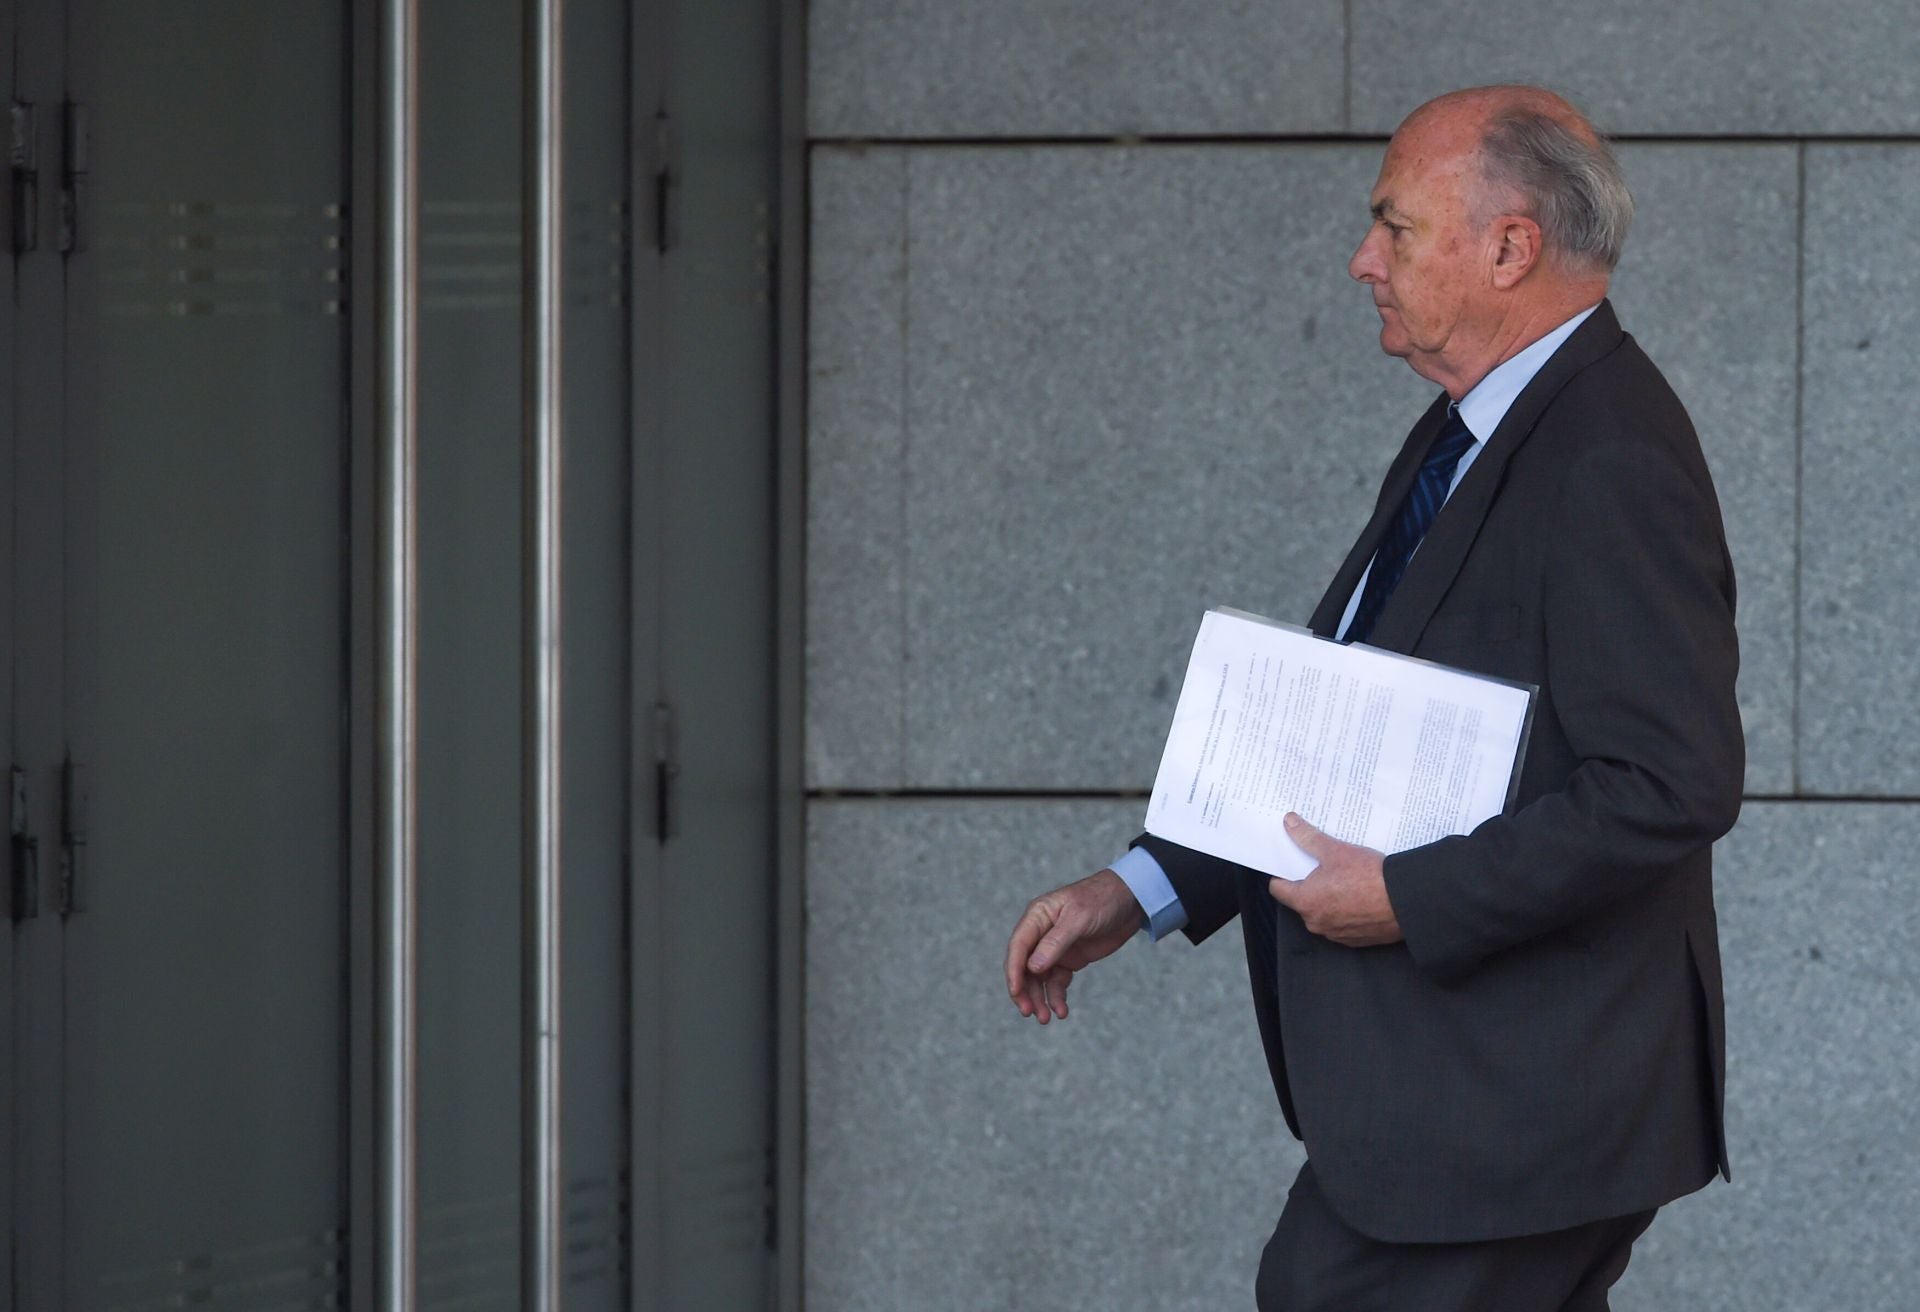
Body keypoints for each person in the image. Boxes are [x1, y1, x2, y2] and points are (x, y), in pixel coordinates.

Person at [1002, 85, 1744, 1310]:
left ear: (1510, 247)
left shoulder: (1608, 455)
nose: (1362, 261)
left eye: (1394, 227)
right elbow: (1333, 727)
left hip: (1515, 1116)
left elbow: (1670, 784)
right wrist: (1140, 888)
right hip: (1471, 1113)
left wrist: (1403, 894)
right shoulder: (1473, 430)